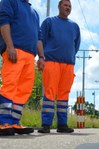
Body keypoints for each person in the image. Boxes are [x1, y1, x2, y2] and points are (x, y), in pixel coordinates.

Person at [0, 0, 45, 136]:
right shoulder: (9, 2)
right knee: (10, 85)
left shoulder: (34, 13)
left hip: (30, 55)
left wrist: (41, 57)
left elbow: (39, 37)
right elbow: (4, 22)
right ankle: (4, 122)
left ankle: (15, 122)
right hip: (14, 51)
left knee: (24, 89)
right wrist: (10, 46)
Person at [38, 0, 81, 134]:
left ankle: (62, 124)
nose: (68, 8)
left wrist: (69, 56)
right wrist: (41, 57)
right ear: (59, 6)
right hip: (51, 62)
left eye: (69, 6)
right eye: (65, 5)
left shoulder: (74, 26)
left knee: (64, 95)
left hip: (68, 64)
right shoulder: (49, 22)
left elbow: (76, 45)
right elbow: (40, 40)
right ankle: (46, 124)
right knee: (49, 92)